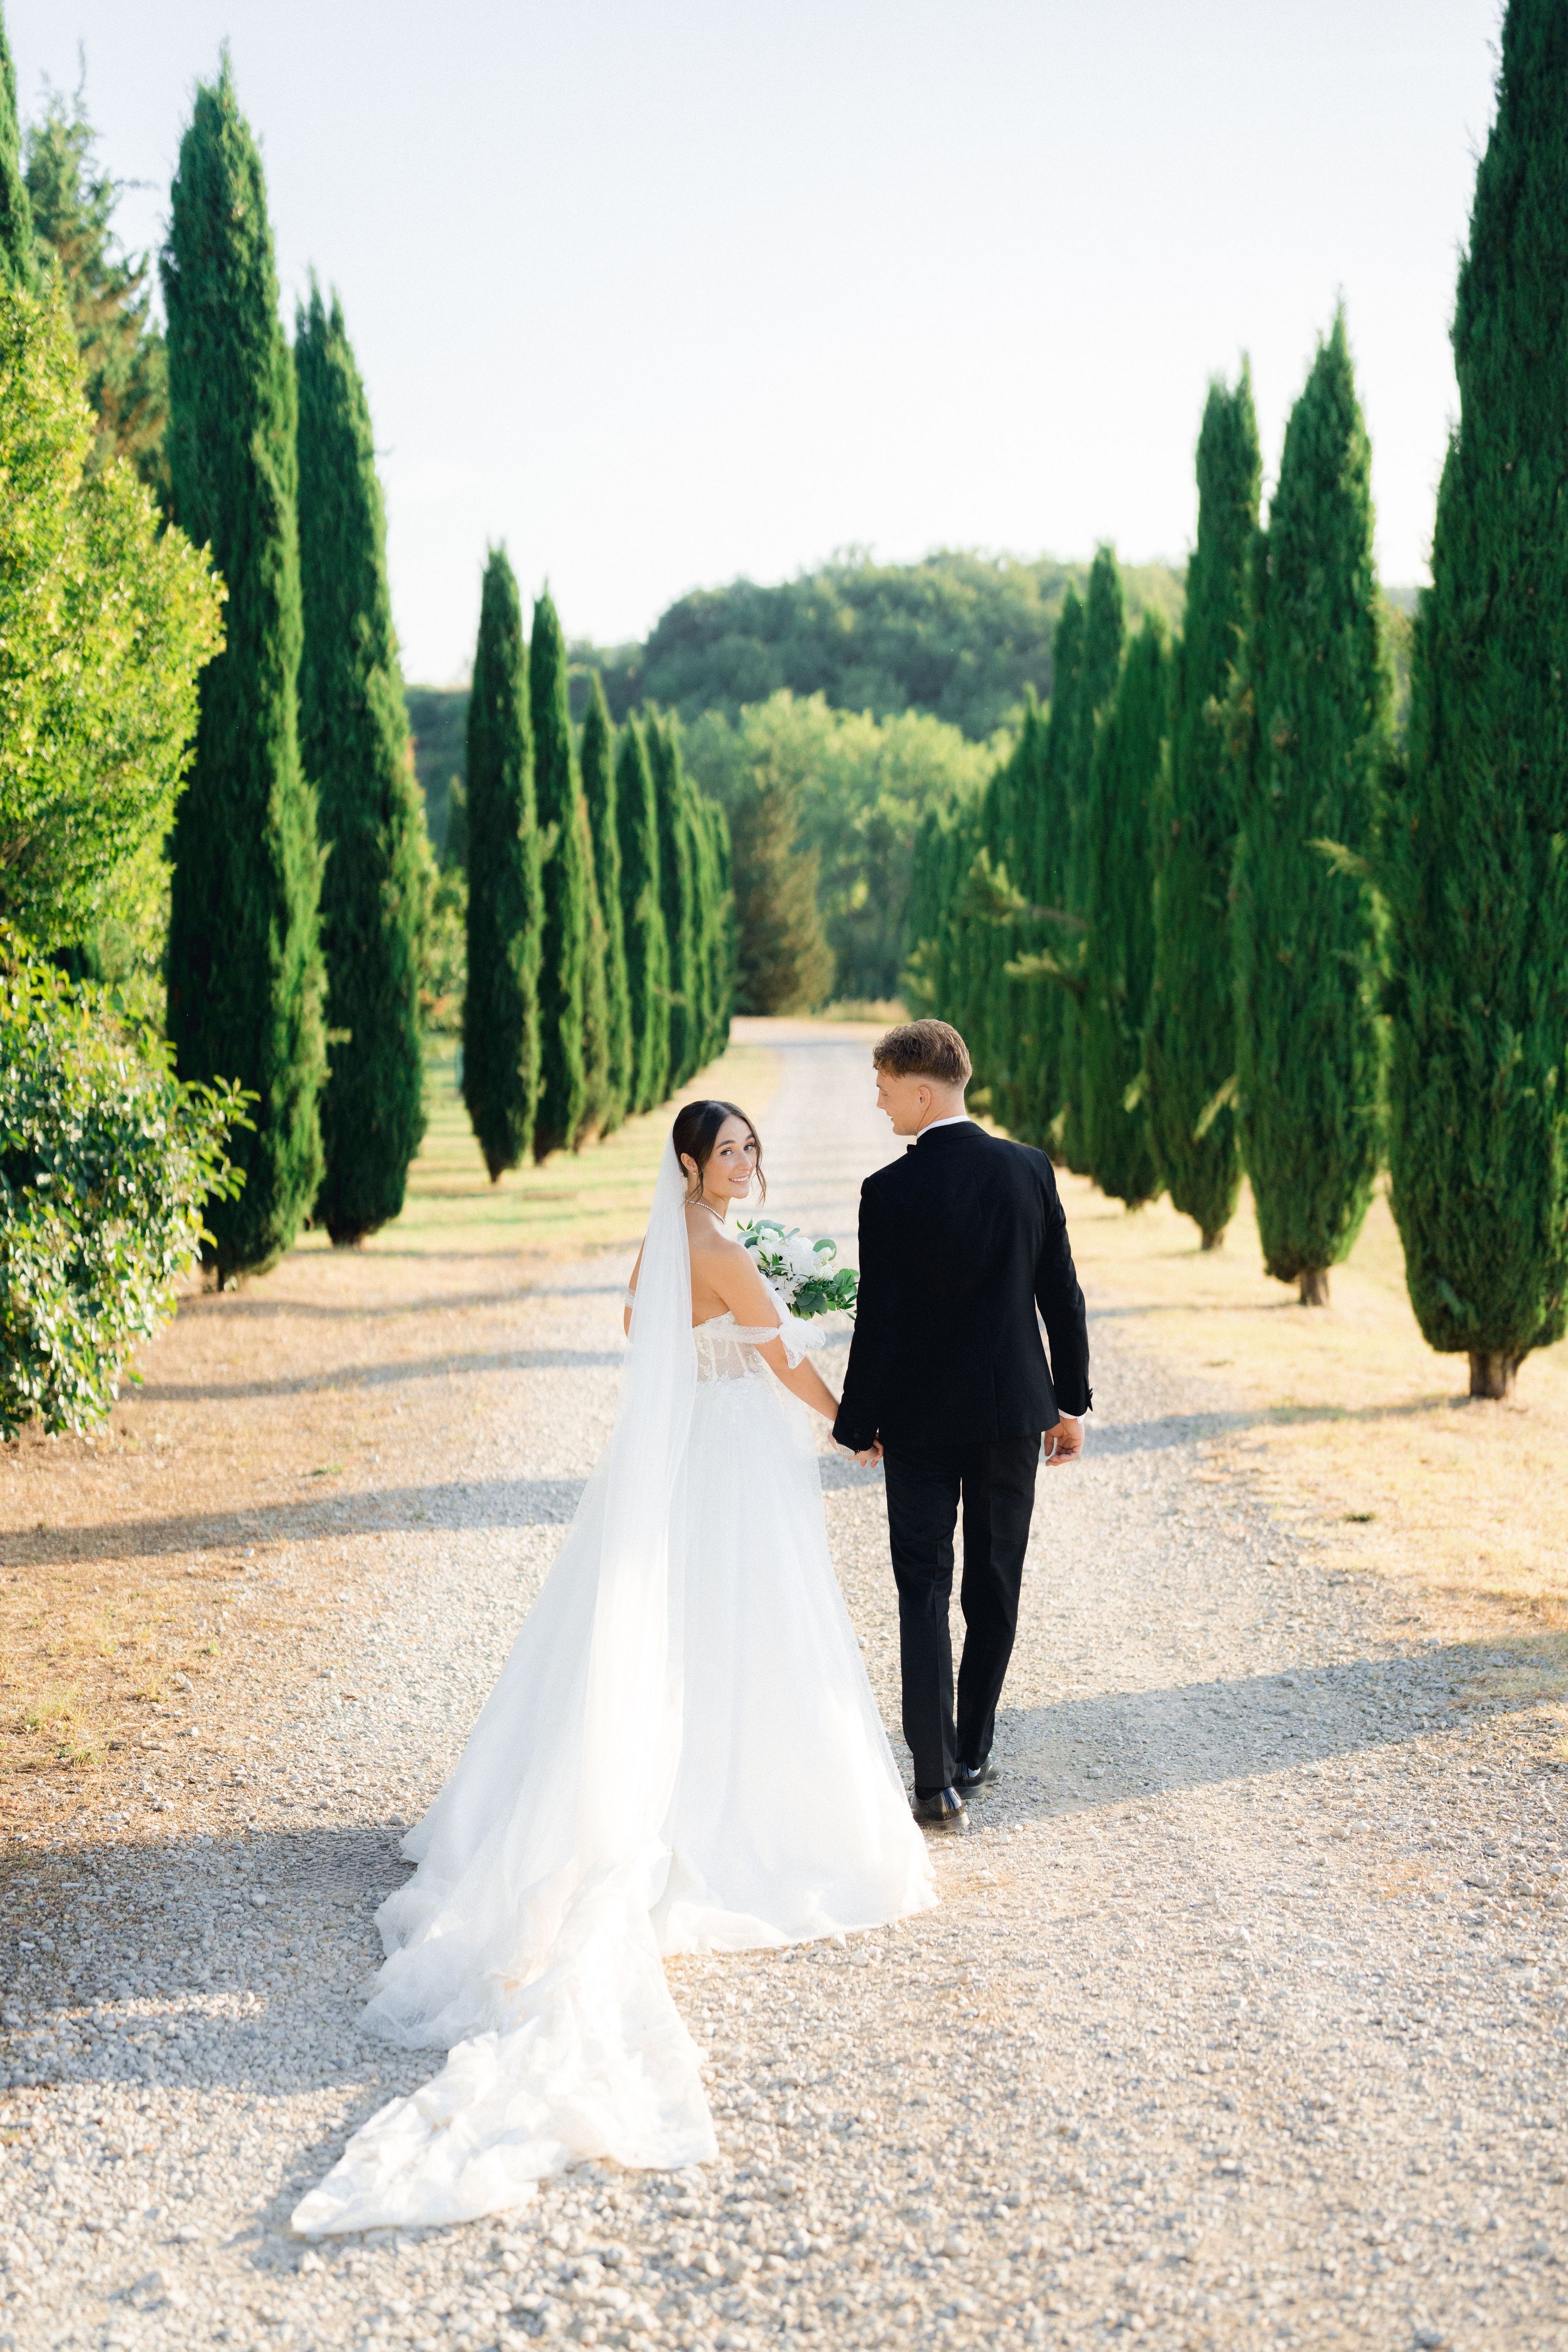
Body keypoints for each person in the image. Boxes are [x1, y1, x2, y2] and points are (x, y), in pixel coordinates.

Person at [293, 1102, 933, 2236]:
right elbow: (783, 1355)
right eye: (729, 1150)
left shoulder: (671, 1236)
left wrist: (732, 1336)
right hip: (734, 1461)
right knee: (745, 1628)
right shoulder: (728, 1251)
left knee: (669, 1628)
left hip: (684, 1452)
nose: (747, 1161)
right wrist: (851, 1426)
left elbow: (646, 1318)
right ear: (689, 1163)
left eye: (752, 1147)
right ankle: (724, 1815)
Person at [833, 1020, 1091, 1829]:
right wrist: (1071, 1401)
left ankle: (935, 1779)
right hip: (1013, 1415)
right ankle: (973, 1744)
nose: (879, 1106)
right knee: (995, 1583)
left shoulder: (889, 1191)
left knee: (923, 1588)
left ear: (921, 1090)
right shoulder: (1029, 1169)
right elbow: (1063, 1294)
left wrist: (859, 1422)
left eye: (884, 1091)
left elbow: (879, 1319)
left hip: (914, 1422)